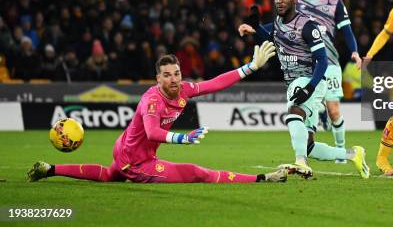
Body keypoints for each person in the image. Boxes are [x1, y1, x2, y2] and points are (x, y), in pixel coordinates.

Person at [27, 43, 289, 184]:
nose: (174, 79)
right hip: (137, 162)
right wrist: (184, 139)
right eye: (167, 75)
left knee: (108, 175)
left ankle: (49, 169)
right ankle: (263, 178)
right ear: (157, 78)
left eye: (176, 73)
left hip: (127, 150)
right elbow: (153, 131)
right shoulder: (152, 100)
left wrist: (251, 67)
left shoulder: (184, 89)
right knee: (197, 173)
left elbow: (215, 83)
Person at [238, 0, 369, 179]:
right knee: (309, 145)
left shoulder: (308, 26)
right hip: (294, 82)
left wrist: (310, 87)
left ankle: (300, 163)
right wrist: (255, 28)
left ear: (294, 0)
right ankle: (352, 154)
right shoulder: (279, 23)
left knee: (293, 113)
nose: (279, 1)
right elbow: (270, 40)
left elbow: (323, 61)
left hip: (310, 79)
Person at [296, 0, 360, 163]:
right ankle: (304, 151)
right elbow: (286, 24)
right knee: (308, 108)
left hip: (330, 62)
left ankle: (340, 150)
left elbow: (347, 32)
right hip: (306, 64)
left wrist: (355, 52)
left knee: (334, 110)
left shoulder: (336, 3)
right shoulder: (300, 0)